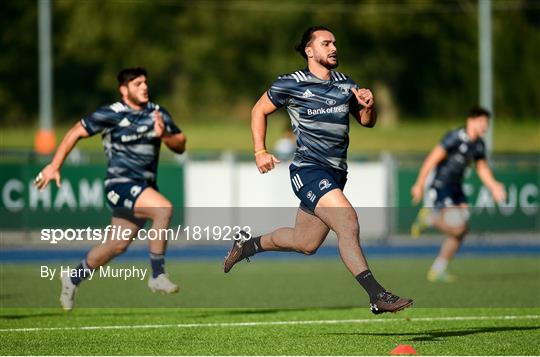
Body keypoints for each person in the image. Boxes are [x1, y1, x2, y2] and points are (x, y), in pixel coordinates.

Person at [223, 26, 412, 314]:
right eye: (326, 43)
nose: (333, 47)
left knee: (306, 243)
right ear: (310, 51)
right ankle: (376, 295)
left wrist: (369, 106)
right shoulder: (291, 83)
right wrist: (259, 150)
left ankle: (248, 246)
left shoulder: (345, 84)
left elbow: (366, 121)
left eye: (335, 42)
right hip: (309, 170)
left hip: (336, 173)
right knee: (347, 221)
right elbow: (258, 110)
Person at [34, 67, 187, 310]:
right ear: (124, 90)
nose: (144, 87)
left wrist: (165, 134)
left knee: (116, 246)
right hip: (120, 184)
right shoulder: (110, 114)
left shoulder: (157, 112)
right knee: (163, 209)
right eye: (137, 83)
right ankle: (158, 275)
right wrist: (54, 166)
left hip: (144, 186)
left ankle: (72, 278)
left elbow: (180, 145)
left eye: (145, 82)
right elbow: (75, 132)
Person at [410, 106, 506, 282]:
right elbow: (432, 159)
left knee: (462, 230)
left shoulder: (478, 144)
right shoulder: (454, 137)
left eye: (487, 123)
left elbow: (482, 168)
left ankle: (438, 270)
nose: (485, 126)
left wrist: (494, 186)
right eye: (482, 122)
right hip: (441, 184)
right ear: (471, 120)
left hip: (456, 187)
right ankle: (428, 218)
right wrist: (420, 183)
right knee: (458, 227)